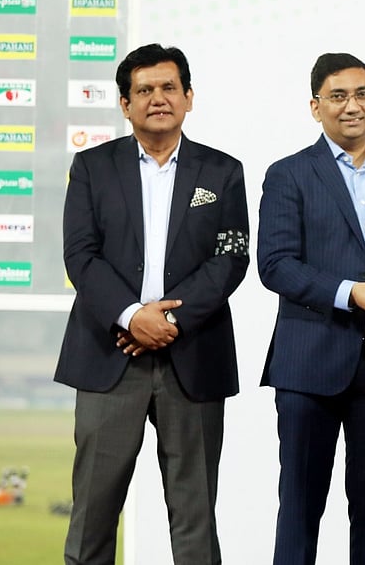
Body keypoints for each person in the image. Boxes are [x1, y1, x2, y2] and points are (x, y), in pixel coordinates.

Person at [56, 43, 250, 564]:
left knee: (195, 523)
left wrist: (169, 320)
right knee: (92, 518)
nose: (157, 99)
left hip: (194, 357)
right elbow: (80, 255)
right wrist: (131, 316)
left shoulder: (223, 172)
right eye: (143, 90)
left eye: (168, 88)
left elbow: (230, 259)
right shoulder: (93, 167)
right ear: (125, 105)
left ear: (189, 97)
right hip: (108, 357)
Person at [257, 53, 365, 565]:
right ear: (316, 107)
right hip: (309, 359)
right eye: (338, 96)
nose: (352, 106)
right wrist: (349, 291)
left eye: (362, 94)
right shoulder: (289, 174)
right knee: (299, 508)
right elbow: (276, 264)